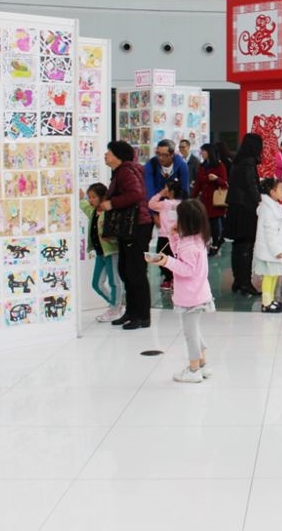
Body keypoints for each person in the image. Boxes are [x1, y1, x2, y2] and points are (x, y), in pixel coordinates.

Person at [149, 199, 215, 383]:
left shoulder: (190, 246)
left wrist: (166, 261)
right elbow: (179, 252)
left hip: (191, 297)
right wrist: (173, 236)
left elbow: (187, 269)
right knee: (194, 331)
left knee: (190, 334)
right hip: (197, 293)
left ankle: (194, 370)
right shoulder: (197, 239)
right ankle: (203, 364)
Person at [100, 140, 154, 330]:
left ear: (118, 156)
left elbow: (136, 194)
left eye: (109, 152)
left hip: (137, 227)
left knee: (135, 272)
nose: (105, 155)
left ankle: (142, 316)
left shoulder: (125, 171)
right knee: (125, 270)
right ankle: (131, 312)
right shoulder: (122, 171)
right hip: (130, 227)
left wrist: (111, 203)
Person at [226, 133, 263, 296]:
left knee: (237, 246)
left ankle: (238, 281)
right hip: (246, 209)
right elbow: (251, 185)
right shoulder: (248, 162)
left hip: (235, 207)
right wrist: (260, 202)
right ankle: (246, 283)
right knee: (247, 246)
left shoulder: (237, 161)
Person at [81, 183, 122, 322]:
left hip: (112, 252)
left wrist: (111, 238)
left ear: (103, 197)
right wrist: (80, 197)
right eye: (89, 197)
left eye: (93, 197)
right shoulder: (92, 212)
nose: (90, 200)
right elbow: (83, 205)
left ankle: (115, 308)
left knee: (114, 281)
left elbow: (117, 232)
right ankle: (116, 305)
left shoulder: (109, 212)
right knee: (97, 284)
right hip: (100, 254)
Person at [253, 177, 282, 313]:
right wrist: (276, 250)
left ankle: (270, 300)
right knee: (269, 276)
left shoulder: (275, 206)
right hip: (270, 251)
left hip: (275, 249)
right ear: (272, 192)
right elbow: (269, 233)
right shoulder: (268, 209)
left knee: (274, 274)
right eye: (281, 189)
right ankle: (266, 303)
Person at [193, 143, 229, 256]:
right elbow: (198, 183)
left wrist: (216, 179)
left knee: (214, 222)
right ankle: (208, 243)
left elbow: (225, 183)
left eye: (203, 151)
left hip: (215, 199)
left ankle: (215, 244)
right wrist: (192, 197)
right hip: (205, 199)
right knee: (205, 222)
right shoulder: (202, 166)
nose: (201, 153)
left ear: (209, 152)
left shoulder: (220, 166)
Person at [148, 183, 183, 291]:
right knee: (174, 258)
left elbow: (151, 204)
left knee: (160, 257)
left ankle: (169, 279)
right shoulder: (181, 204)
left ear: (171, 191)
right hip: (177, 237)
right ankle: (174, 279)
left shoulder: (165, 204)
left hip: (164, 236)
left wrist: (160, 194)